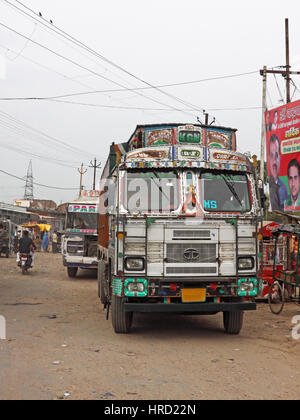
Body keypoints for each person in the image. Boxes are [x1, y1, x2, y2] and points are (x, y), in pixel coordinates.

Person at [268, 134, 288, 211]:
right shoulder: (267, 185)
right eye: (271, 155)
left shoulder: (284, 187)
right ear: (268, 158)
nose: (274, 161)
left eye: (276, 155)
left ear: (280, 157)